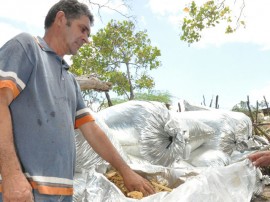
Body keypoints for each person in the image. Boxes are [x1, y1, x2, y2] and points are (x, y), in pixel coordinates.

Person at [0, 0, 155, 201]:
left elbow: (93, 131)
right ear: (61, 19)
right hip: (25, 193)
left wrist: (126, 171)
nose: (86, 39)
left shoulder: (70, 81)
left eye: (88, 34)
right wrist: (12, 176)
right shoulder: (27, 47)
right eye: (83, 30)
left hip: (63, 195)